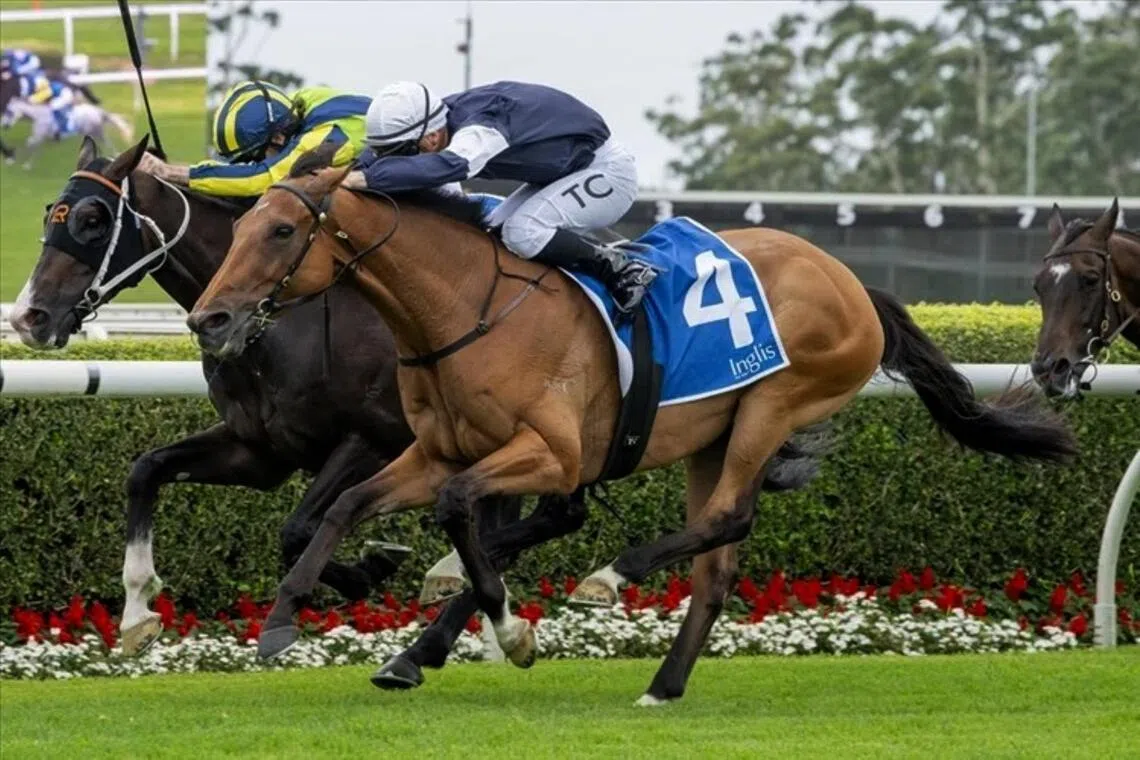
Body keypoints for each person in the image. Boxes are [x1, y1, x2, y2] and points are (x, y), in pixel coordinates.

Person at [342, 80, 657, 315]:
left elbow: (451, 166)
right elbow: (376, 158)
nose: (394, 162)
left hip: (606, 171)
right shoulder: (433, 123)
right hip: (560, 173)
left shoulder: (479, 129)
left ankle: (618, 268)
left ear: (432, 138)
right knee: (488, 241)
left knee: (523, 233)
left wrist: (367, 178)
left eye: (400, 155)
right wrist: (338, 176)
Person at [137, 80, 370, 197]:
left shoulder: (324, 140)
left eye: (254, 156)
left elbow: (262, 177)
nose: (253, 163)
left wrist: (170, 172)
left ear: (278, 137)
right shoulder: (300, 103)